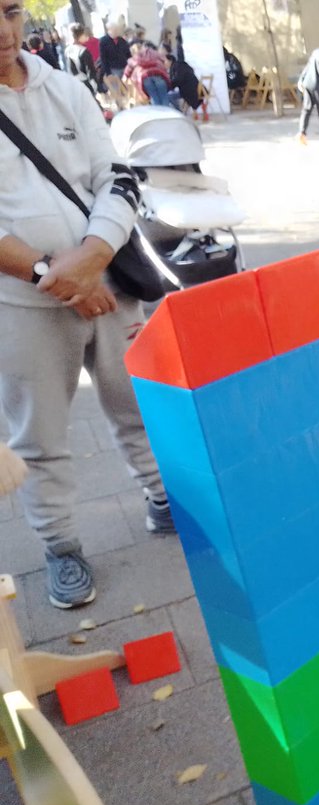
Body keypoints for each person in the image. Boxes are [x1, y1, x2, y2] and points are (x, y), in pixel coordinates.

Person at [0, 12, 175, 610]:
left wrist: (96, 255)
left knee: (138, 403)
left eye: (8, 10)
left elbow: (116, 176)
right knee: (40, 433)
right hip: (24, 302)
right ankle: (61, 547)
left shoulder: (64, 86)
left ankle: (163, 499)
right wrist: (61, 278)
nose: (2, 27)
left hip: (108, 281)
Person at [123, 40, 171, 106]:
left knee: (154, 98)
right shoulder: (153, 52)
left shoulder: (134, 58)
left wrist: (126, 77)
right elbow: (165, 61)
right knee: (164, 96)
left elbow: (127, 72)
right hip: (159, 74)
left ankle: (158, 114)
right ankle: (167, 114)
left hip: (145, 77)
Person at [98, 21, 131, 103]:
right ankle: (119, 105)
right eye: (115, 29)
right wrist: (108, 73)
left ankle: (127, 103)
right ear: (109, 30)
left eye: (117, 29)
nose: (117, 31)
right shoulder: (103, 41)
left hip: (124, 67)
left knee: (127, 89)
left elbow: (128, 54)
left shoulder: (121, 40)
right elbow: (103, 58)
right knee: (116, 90)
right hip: (113, 69)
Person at [65, 23, 101, 98]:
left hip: (74, 83)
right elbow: (90, 71)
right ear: (80, 36)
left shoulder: (68, 50)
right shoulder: (83, 51)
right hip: (86, 83)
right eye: (84, 34)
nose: (86, 36)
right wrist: (94, 86)